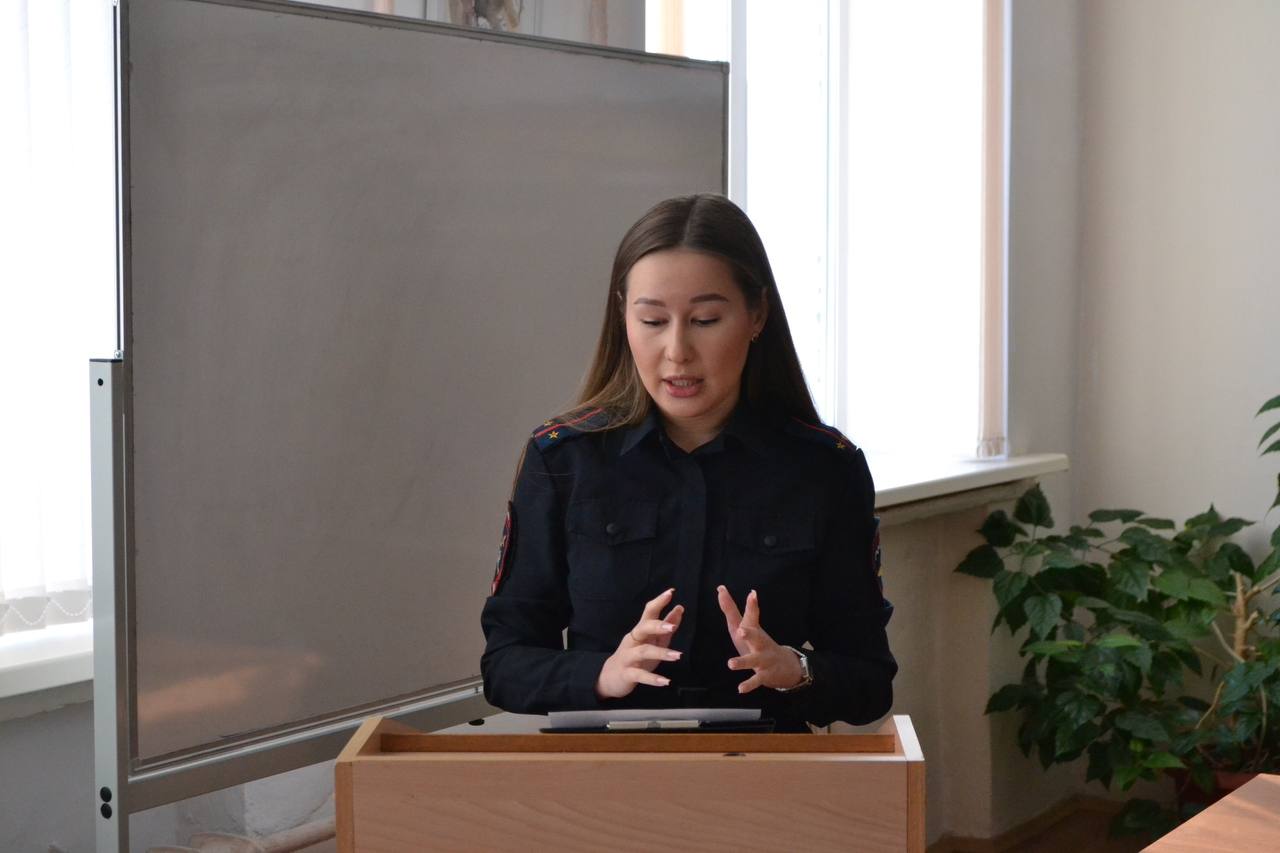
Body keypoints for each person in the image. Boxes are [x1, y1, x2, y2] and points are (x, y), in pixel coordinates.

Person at [480, 194, 895, 732]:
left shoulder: (825, 470)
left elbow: (869, 681)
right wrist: (603, 674)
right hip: (603, 771)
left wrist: (795, 670)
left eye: (705, 319)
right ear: (624, 317)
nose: (677, 350)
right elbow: (505, 665)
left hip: (765, 769)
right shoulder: (563, 460)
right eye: (652, 320)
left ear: (757, 315)